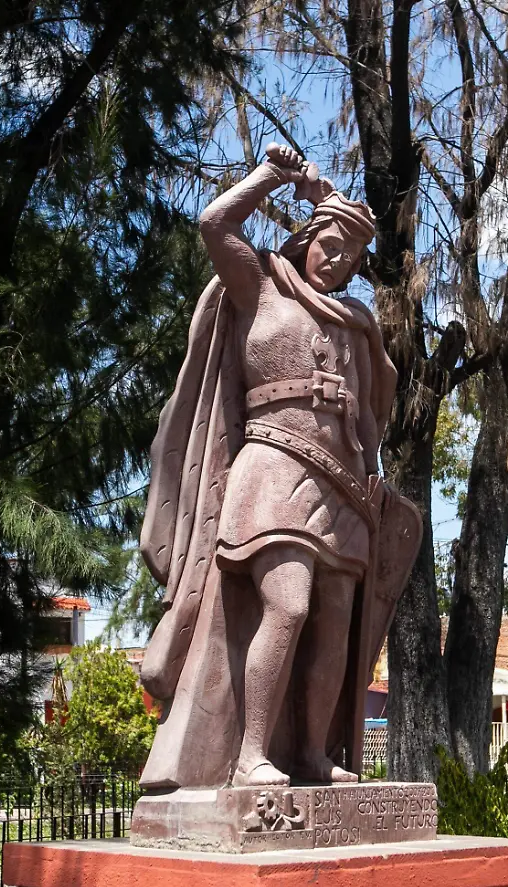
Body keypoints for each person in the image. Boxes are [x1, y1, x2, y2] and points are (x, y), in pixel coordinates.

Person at [137, 143, 414, 790]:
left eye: (350, 255)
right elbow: (214, 225)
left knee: (335, 628)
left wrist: (372, 468)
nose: (338, 261)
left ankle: (312, 755)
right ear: (308, 237)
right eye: (331, 245)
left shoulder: (356, 322)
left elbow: (369, 408)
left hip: (343, 484)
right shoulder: (261, 283)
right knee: (286, 606)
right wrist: (271, 176)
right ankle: (249, 755)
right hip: (273, 468)